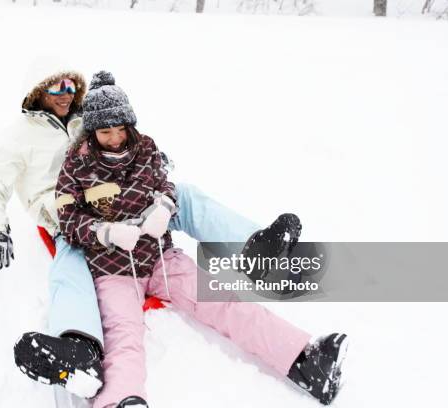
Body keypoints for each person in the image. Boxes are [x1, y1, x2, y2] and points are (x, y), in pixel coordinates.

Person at [0, 64, 306, 401]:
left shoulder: (84, 118)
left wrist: (157, 186)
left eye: (71, 84)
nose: (66, 93)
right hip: (76, 220)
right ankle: (79, 345)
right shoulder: (19, 136)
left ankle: (255, 250)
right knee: (69, 268)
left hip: (132, 203)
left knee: (183, 194)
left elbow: (124, 135)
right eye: (55, 87)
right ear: (36, 89)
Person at [49, 71, 349, 407]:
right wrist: (105, 232)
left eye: (121, 129)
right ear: (91, 131)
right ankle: (121, 399)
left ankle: (306, 360)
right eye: (106, 131)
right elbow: (68, 218)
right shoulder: (75, 165)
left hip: (161, 258)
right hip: (113, 269)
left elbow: (164, 184)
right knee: (124, 336)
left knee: (225, 303)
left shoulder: (145, 147)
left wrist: (163, 205)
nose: (116, 138)